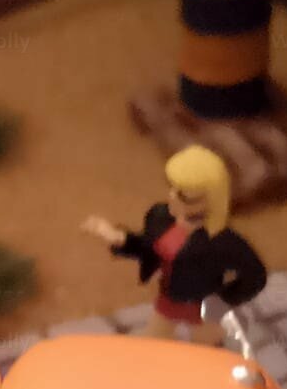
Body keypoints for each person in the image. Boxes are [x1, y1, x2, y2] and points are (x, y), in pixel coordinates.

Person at [82, 145, 266, 343]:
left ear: (210, 200)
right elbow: (148, 248)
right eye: (173, 188)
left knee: (205, 346)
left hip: (200, 306)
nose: (172, 196)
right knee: (153, 340)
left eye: (185, 196)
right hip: (169, 297)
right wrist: (118, 237)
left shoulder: (222, 241)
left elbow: (255, 275)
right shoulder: (160, 217)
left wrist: (223, 299)